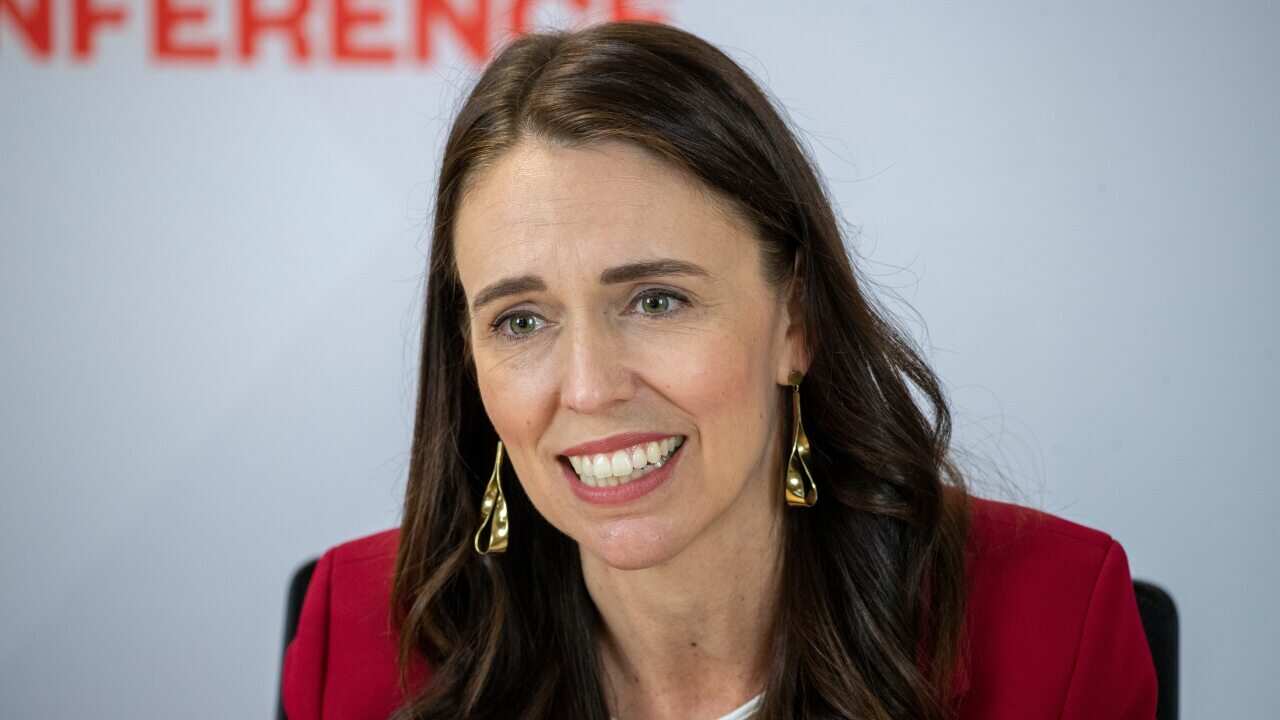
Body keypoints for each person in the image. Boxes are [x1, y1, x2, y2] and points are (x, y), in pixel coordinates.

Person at [281, 20, 1157, 720]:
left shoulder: (1055, 627)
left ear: (796, 321)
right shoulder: (354, 642)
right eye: (521, 320)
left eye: (657, 300)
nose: (589, 388)